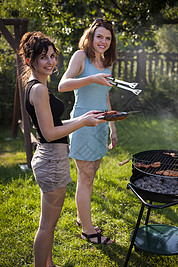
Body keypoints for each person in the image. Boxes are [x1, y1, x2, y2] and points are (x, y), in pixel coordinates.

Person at [18, 31, 106, 267]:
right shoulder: (39, 91)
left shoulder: (35, 86)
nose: (50, 61)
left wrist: (84, 117)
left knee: (50, 222)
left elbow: (53, 126)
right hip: (52, 161)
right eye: (43, 56)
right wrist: (82, 121)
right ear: (29, 59)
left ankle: (48, 266)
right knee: (47, 225)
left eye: (53, 56)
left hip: (50, 157)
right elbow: (50, 134)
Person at [58, 19, 117, 245]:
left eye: (108, 38)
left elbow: (106, 96)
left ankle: (82, 218)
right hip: (83, 122)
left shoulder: (107, 61)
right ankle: (88, 231)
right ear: (91, 37)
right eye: (99, 36)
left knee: (91, 173)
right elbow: (63, 85)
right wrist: (91, 78)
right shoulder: (80, 56)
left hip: (101, 123)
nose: (103, 41)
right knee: (86, 177)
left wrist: (112, 125)